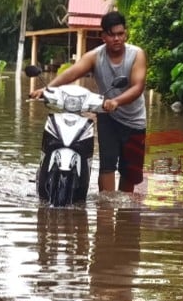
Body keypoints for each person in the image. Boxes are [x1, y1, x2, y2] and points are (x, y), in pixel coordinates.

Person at [31, 11, 148, 194]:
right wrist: (47, 89)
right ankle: (106, 208)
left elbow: (138, 86)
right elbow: (72, 72)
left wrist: (116, 101)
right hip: (108, 117)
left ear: (126, 34)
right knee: (107, 166)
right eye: (112, 34)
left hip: (135, 120)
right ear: (103, 36)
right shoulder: (95, 56)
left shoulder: (136, 55)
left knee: (129, 173)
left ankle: (125, 212)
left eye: (120, 34)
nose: (117, 38)